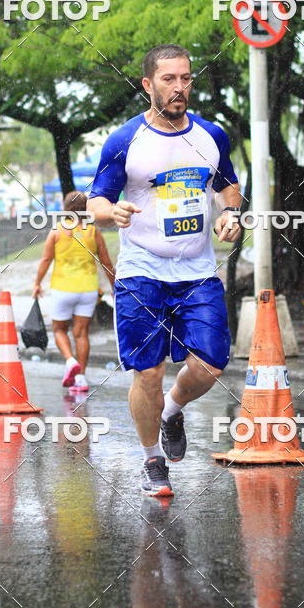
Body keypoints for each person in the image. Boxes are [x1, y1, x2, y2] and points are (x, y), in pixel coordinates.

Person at [87, 44, 242, 497]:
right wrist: (109, 212)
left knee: (212, 364)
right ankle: (152, 457)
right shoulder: (124, 142)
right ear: (148, 84)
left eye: (186, 78)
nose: (179, 88)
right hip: (141, 271)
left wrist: (231, 214)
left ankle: (173, 411)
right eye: (169, 79)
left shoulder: (211, 135)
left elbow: (227, 186)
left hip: (196, 270)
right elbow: (96, 198)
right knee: (148, 373)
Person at [32, 190, 115, 392]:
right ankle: (80, 379)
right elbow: (106, 263)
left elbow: (45, 259)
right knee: (81, 334)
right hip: (87, 290)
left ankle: (70, 361)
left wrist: (37, 283)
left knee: (60, 330)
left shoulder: (57, 230)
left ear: (65, 208)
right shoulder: (93, 231)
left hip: (63, 288)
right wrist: (114, 287)